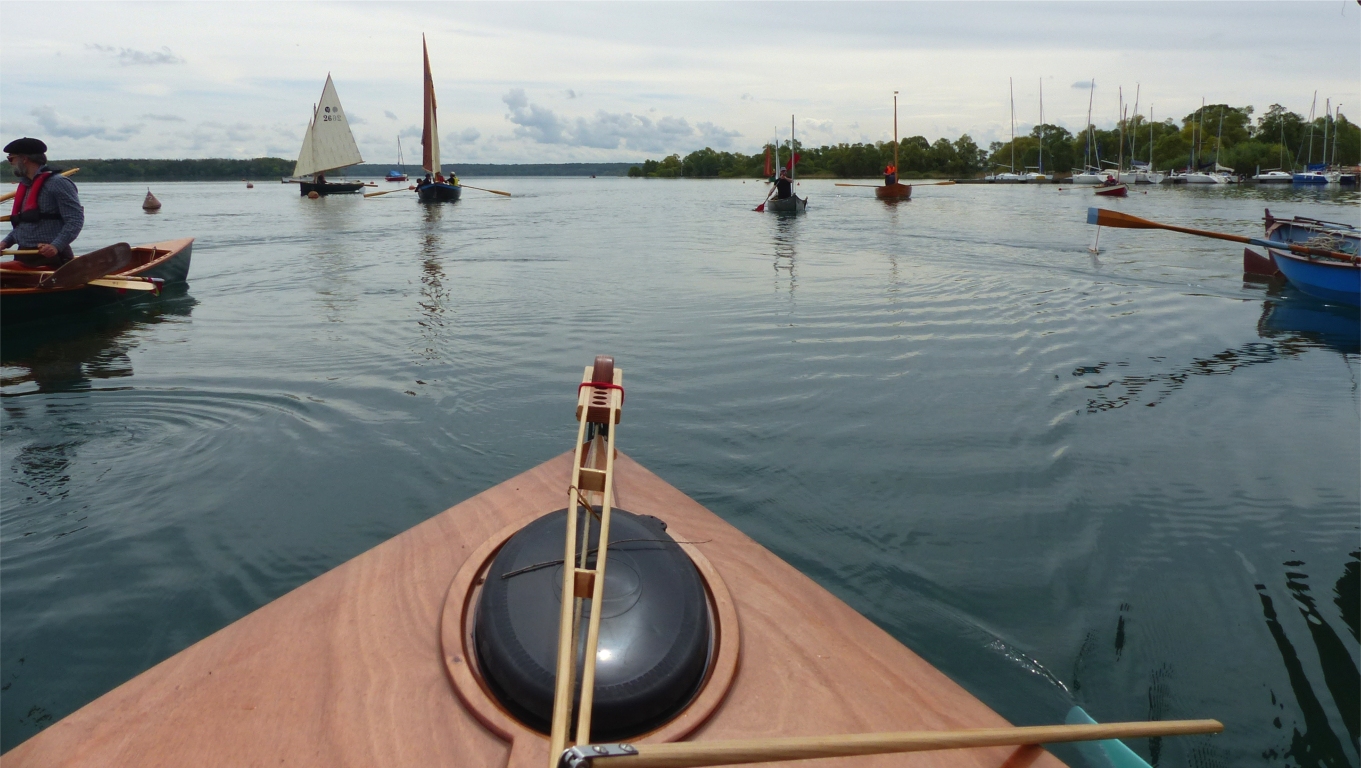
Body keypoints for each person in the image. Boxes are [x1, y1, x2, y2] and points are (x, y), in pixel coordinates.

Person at [2, 137, 84, 270]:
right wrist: (5, 243)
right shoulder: (26, 185)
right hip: (24, 255)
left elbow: (75, 220)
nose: (10, 163)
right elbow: (24, 224)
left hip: (51, 259)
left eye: (11, 158)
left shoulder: (58, 183)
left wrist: (56, 246)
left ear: (24, 159)